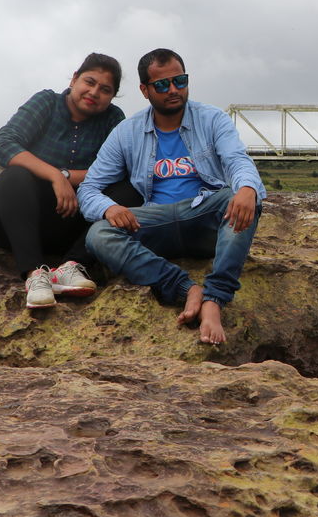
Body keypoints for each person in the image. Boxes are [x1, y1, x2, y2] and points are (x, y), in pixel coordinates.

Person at [79, 48, 265, 345]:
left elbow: (237, 160)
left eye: (180, 81)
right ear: (145, 90)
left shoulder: (212, 119)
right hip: (156, 222)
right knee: (99, 234)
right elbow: (88, 189)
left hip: (203, 214)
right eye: (162, 85)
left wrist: (247, 189)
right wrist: (109, 208)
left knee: (241, 197)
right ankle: (185, 288)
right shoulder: (126, 132)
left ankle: (214, 299)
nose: (174, 90)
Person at [0, 52, 141, 309]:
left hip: (70, 224)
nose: (94, 92)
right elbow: (3, 144)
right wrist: (55, 176)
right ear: (74, 79)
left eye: (105, 89)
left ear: (112, 97)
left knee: (131, 189)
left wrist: (69, 177)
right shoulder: (47, 102)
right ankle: (35, 275)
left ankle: (71, 267)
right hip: (15, 221)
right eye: (89, 82)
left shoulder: (112, 119)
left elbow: (120, 169)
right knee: (15, 175)